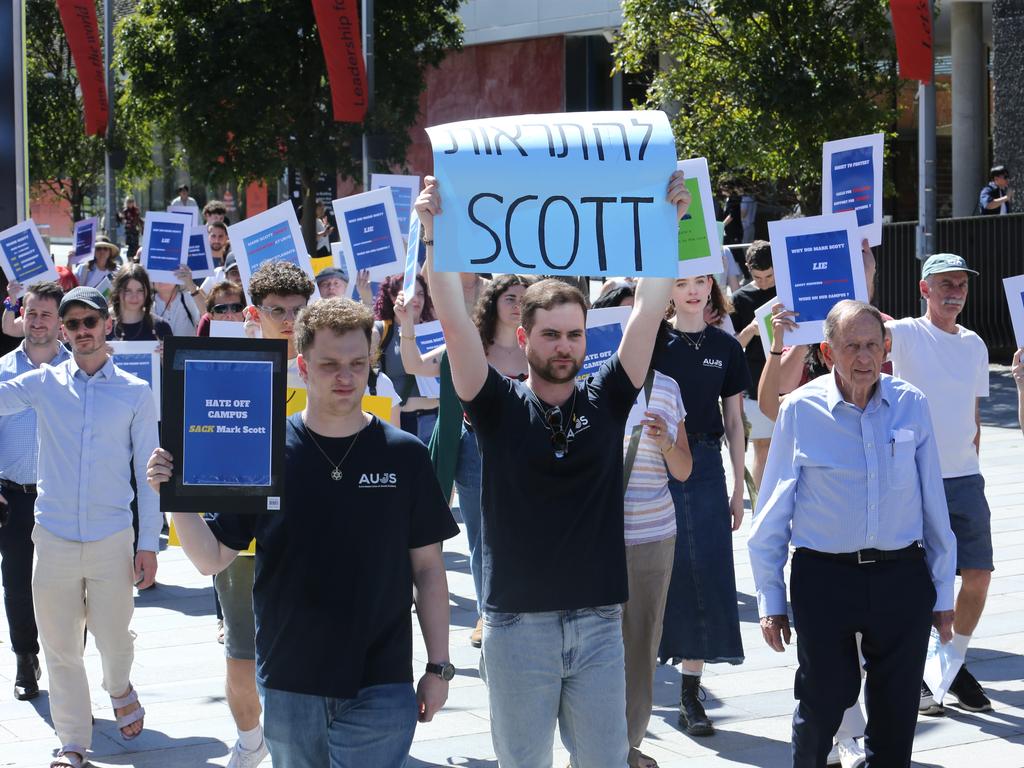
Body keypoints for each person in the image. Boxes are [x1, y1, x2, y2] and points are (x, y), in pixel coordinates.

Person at [416, 171, 689, 768]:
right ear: (524, 337)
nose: (564, 345)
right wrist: (434, 236)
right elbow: (454, 318)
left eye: (574, 334)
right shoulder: (493, 403)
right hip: (517, 628)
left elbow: (648, 307)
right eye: (550, 335)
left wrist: (667, 225)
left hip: (598, 624)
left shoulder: (609, 396)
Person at [147, 297, 459, 768]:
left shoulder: (405, 455)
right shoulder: (264, 450)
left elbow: (430, 569)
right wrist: (173, 498)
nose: (346, 377)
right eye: (330, 364)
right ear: (302, 365)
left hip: (382, 680)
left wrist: (439, 667)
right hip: (289, 679)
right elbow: (212, 558)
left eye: (357, 363)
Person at [749, 299, 956, 767]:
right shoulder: (800, 410)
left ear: (885, 348)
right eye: (851, 347)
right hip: (824, 577)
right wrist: (770, 601)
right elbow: (772, 512)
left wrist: (944, 593)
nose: (864, 358)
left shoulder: (911, 405)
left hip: (900, 576)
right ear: (827, 352)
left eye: (872, 346)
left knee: (897, 707)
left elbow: (933, 508)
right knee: (825, 697)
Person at [0, 286, 159, 768]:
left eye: (90, 322)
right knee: (60, 646)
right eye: (73, 324)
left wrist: (148, 543)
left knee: (114, 639)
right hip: (52, 538)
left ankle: (118, 686)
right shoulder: (43, 383)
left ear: (107, 325)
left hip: (113, 538)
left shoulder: (135, 392)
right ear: (63, 332)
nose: (82, 331)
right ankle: (72, 743)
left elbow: (150, 474)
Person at [396, 273, 532, 648]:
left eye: (524, 296)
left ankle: (522, 605)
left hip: (527, 454)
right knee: (482, 537)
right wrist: (407, 323)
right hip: (475, 451)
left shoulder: (538, 347)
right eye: (510, 296)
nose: (518, 302)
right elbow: (415, 365)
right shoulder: (470, 346)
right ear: (493, 302)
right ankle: (488, 612)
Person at [885, 253, 994, 715]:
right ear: (924, 289)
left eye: (962, 285)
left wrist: (974, 454)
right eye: (945, 283)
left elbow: (973, 413)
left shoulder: (974, 344)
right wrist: (863, 270)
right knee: (923, 584)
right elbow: (859, 330)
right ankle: (925, 674)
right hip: (916, 476)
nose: (955, 291)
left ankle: (948, 666)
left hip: (966, 476)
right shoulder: (907, 333)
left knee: (978, 576)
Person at [596, 283, 695, 768]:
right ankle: (591, 746)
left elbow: (684, 470)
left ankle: (627, 747)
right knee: (591, 648)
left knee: (640, 645)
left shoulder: (667, 389)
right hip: (590, 540)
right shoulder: (580, 387)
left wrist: (666, 440)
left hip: (652, 537)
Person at [655, 274, 749, 737]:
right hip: (655, 464)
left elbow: (734, 418)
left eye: (700, 281)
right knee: (660, 571)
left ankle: (690, 691)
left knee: (706, 572)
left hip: (708, 464)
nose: (692, 290)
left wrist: (738, 488)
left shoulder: (726, 346)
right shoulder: (651, 339)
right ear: (667, 288)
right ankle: (640, 679)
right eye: (681, 282)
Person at [0, 282, 70, 702]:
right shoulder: (3, 368)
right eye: (33, 312)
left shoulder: (78, 368)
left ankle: (67, 664)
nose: (39, 320)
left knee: (68, 584)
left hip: (62, 495)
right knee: (17, 583)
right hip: (13, 496)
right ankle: (26, 658)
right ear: (21, 315)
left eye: (47, 313)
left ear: (60, 321)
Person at [730, 240, 777, 490]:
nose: (764, 282)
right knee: (763, 446)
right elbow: (731, 346)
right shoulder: (740, 298)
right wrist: (750, 330)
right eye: (758, 277)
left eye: (769, 276)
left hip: (790, 375)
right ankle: (761, 505)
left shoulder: (789, 290)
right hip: (755, 379)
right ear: (748, 268)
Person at [372, 274, 439, 444]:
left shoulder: (434, 331)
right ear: (394, 296)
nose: (416, 299)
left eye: (421, 294)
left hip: (436, 420)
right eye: (410, 292)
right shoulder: (381, 331)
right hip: (399, 422)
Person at [107, 265, 173, 342]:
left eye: (140, 290)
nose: (134, 297)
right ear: (118, 291)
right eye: (128, 291)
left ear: (147, 292)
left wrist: (166, 353)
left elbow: (175, 354)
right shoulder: (103, 327)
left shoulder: (161, 327)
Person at [152, 272, 201, 336]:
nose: (163, 278)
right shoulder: (147, 303)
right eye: (158, 274)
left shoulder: (187, 298)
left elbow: (206, 318)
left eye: (167, 274)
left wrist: (191, 285)